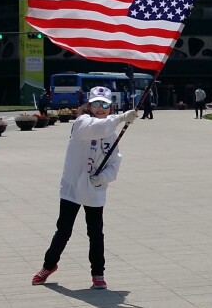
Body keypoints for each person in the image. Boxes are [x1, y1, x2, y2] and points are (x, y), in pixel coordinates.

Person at [32, 86, 137, 289]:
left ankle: (98, 273)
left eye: (105, 105)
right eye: (96, 104)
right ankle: (48, 265)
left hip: (95, 189)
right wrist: (122, 117)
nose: (100, 108)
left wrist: (104, 177)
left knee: (95, 232)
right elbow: (97, 128)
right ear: (89, 105)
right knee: (63, 230)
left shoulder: (111, 132)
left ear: (110, 107)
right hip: (72, 187)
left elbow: (115, 162)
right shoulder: (81, 123)